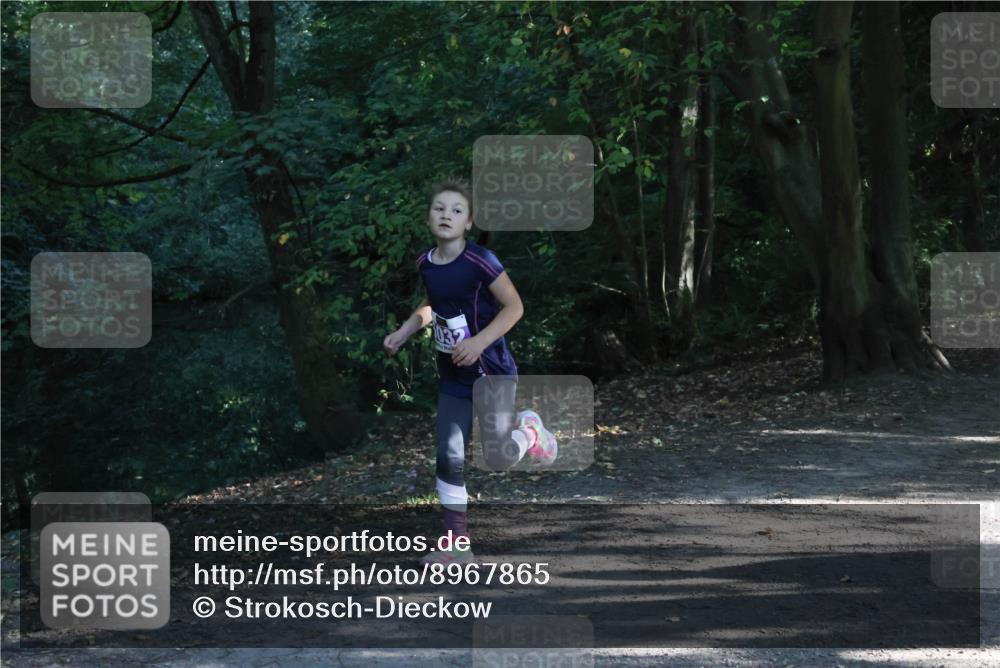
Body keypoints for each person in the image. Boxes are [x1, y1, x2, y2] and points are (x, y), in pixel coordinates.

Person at [383, 178, 557, 566]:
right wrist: (403, 332)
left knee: (496, 458)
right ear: (429, 217)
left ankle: (529, 432)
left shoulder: (481, 260)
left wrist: (478, 342)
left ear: (469, 223)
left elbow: (515, 308)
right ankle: (457, 547)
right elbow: (432, 305)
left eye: (457, 210)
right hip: (453, 375)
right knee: (449, 456)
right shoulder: (426, 263)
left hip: (491, 371)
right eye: (440, 208)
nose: (447, 215)